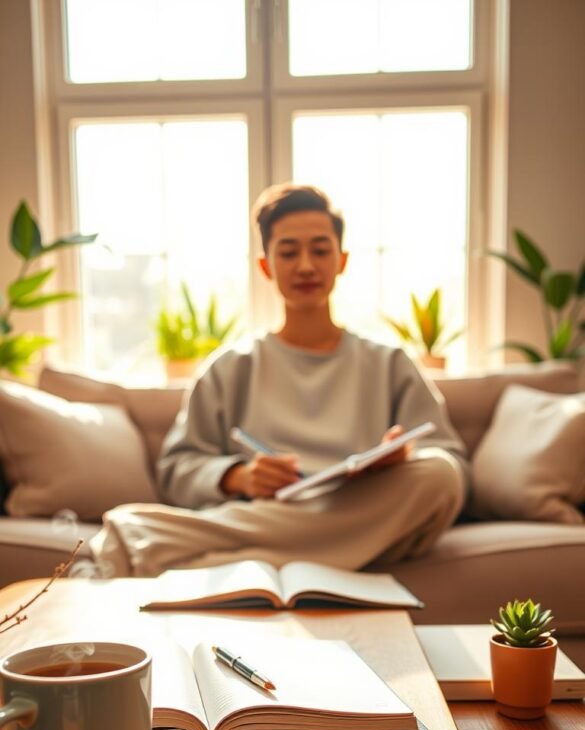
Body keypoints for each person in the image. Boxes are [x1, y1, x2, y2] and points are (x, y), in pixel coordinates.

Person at [91, 183, 468, 577]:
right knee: (157, 521)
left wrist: (402, 459)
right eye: (288, 252)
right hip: (280, 517)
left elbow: (452, 469)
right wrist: (239, 476)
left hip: (365, 509)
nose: (305, 265)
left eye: (320, 251)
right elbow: (176, 469)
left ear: (341, 261)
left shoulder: (390, 363)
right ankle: (331, 553)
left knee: (437, 472)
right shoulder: (230, 368)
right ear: (266, 266)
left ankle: (220, 559)